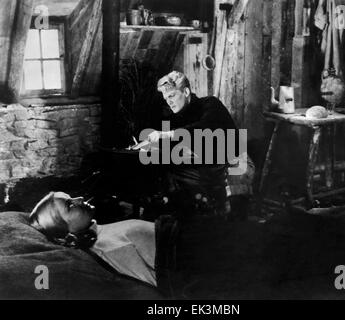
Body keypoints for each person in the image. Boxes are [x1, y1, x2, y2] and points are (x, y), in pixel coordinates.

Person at [29, 191, 179, 294]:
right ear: (66, 235)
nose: (80, 198)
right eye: (69, 205)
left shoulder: (103, 235)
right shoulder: (108, 249)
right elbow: (171, 277)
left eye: (71, 197)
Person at [145, 71, 242, 215]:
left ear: (186, 91)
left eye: (171, 96)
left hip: (231, 160)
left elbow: (204, 127)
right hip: (206, 163)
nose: (169, 102)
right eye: (166, 99)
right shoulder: (178, 116)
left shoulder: (210, 103)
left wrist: (167, 135)